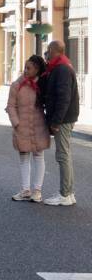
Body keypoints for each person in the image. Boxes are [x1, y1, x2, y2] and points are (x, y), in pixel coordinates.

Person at [6, 55, 50, 203]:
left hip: (39, 125)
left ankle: (37, 191)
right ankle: (25, 190)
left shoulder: (43, 84)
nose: (25, 70)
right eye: (25, 67)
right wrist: (16, 122)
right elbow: (11, 105)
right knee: (24, 157)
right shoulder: (17, 85)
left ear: (37, 70)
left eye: (28, 68)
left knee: (39, 155)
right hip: (22, 126)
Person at [41, 40, 80, 207]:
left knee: (63, 155)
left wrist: (56, 121)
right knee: (65, 155)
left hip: (63, 119)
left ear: (53, 50)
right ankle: (68, 193)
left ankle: (65, 194)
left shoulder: (62, 69)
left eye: (48, 50)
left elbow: (64, 97)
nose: (47, 53)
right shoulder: (63, 65)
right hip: (66, 117)